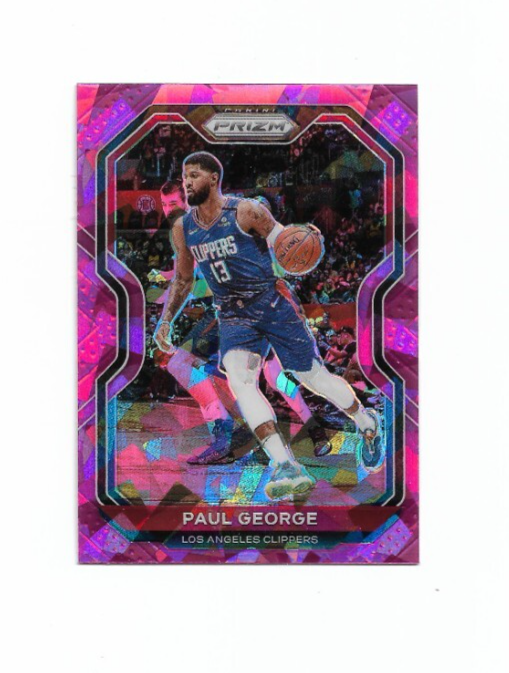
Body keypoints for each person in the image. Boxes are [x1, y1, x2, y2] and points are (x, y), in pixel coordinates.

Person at [155, 152, 382, 500]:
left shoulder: (246, 211)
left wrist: (303, 244)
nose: (187, 182)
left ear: (214, 179)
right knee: (240, 380)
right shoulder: (182, 229)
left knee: (312, 378)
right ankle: (285, 464)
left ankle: (366, 422)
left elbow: (283, 241)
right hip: (232, 314)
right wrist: (165, 320)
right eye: (185, 176)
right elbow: (184, 280)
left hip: (271, 302)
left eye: (194, 175)